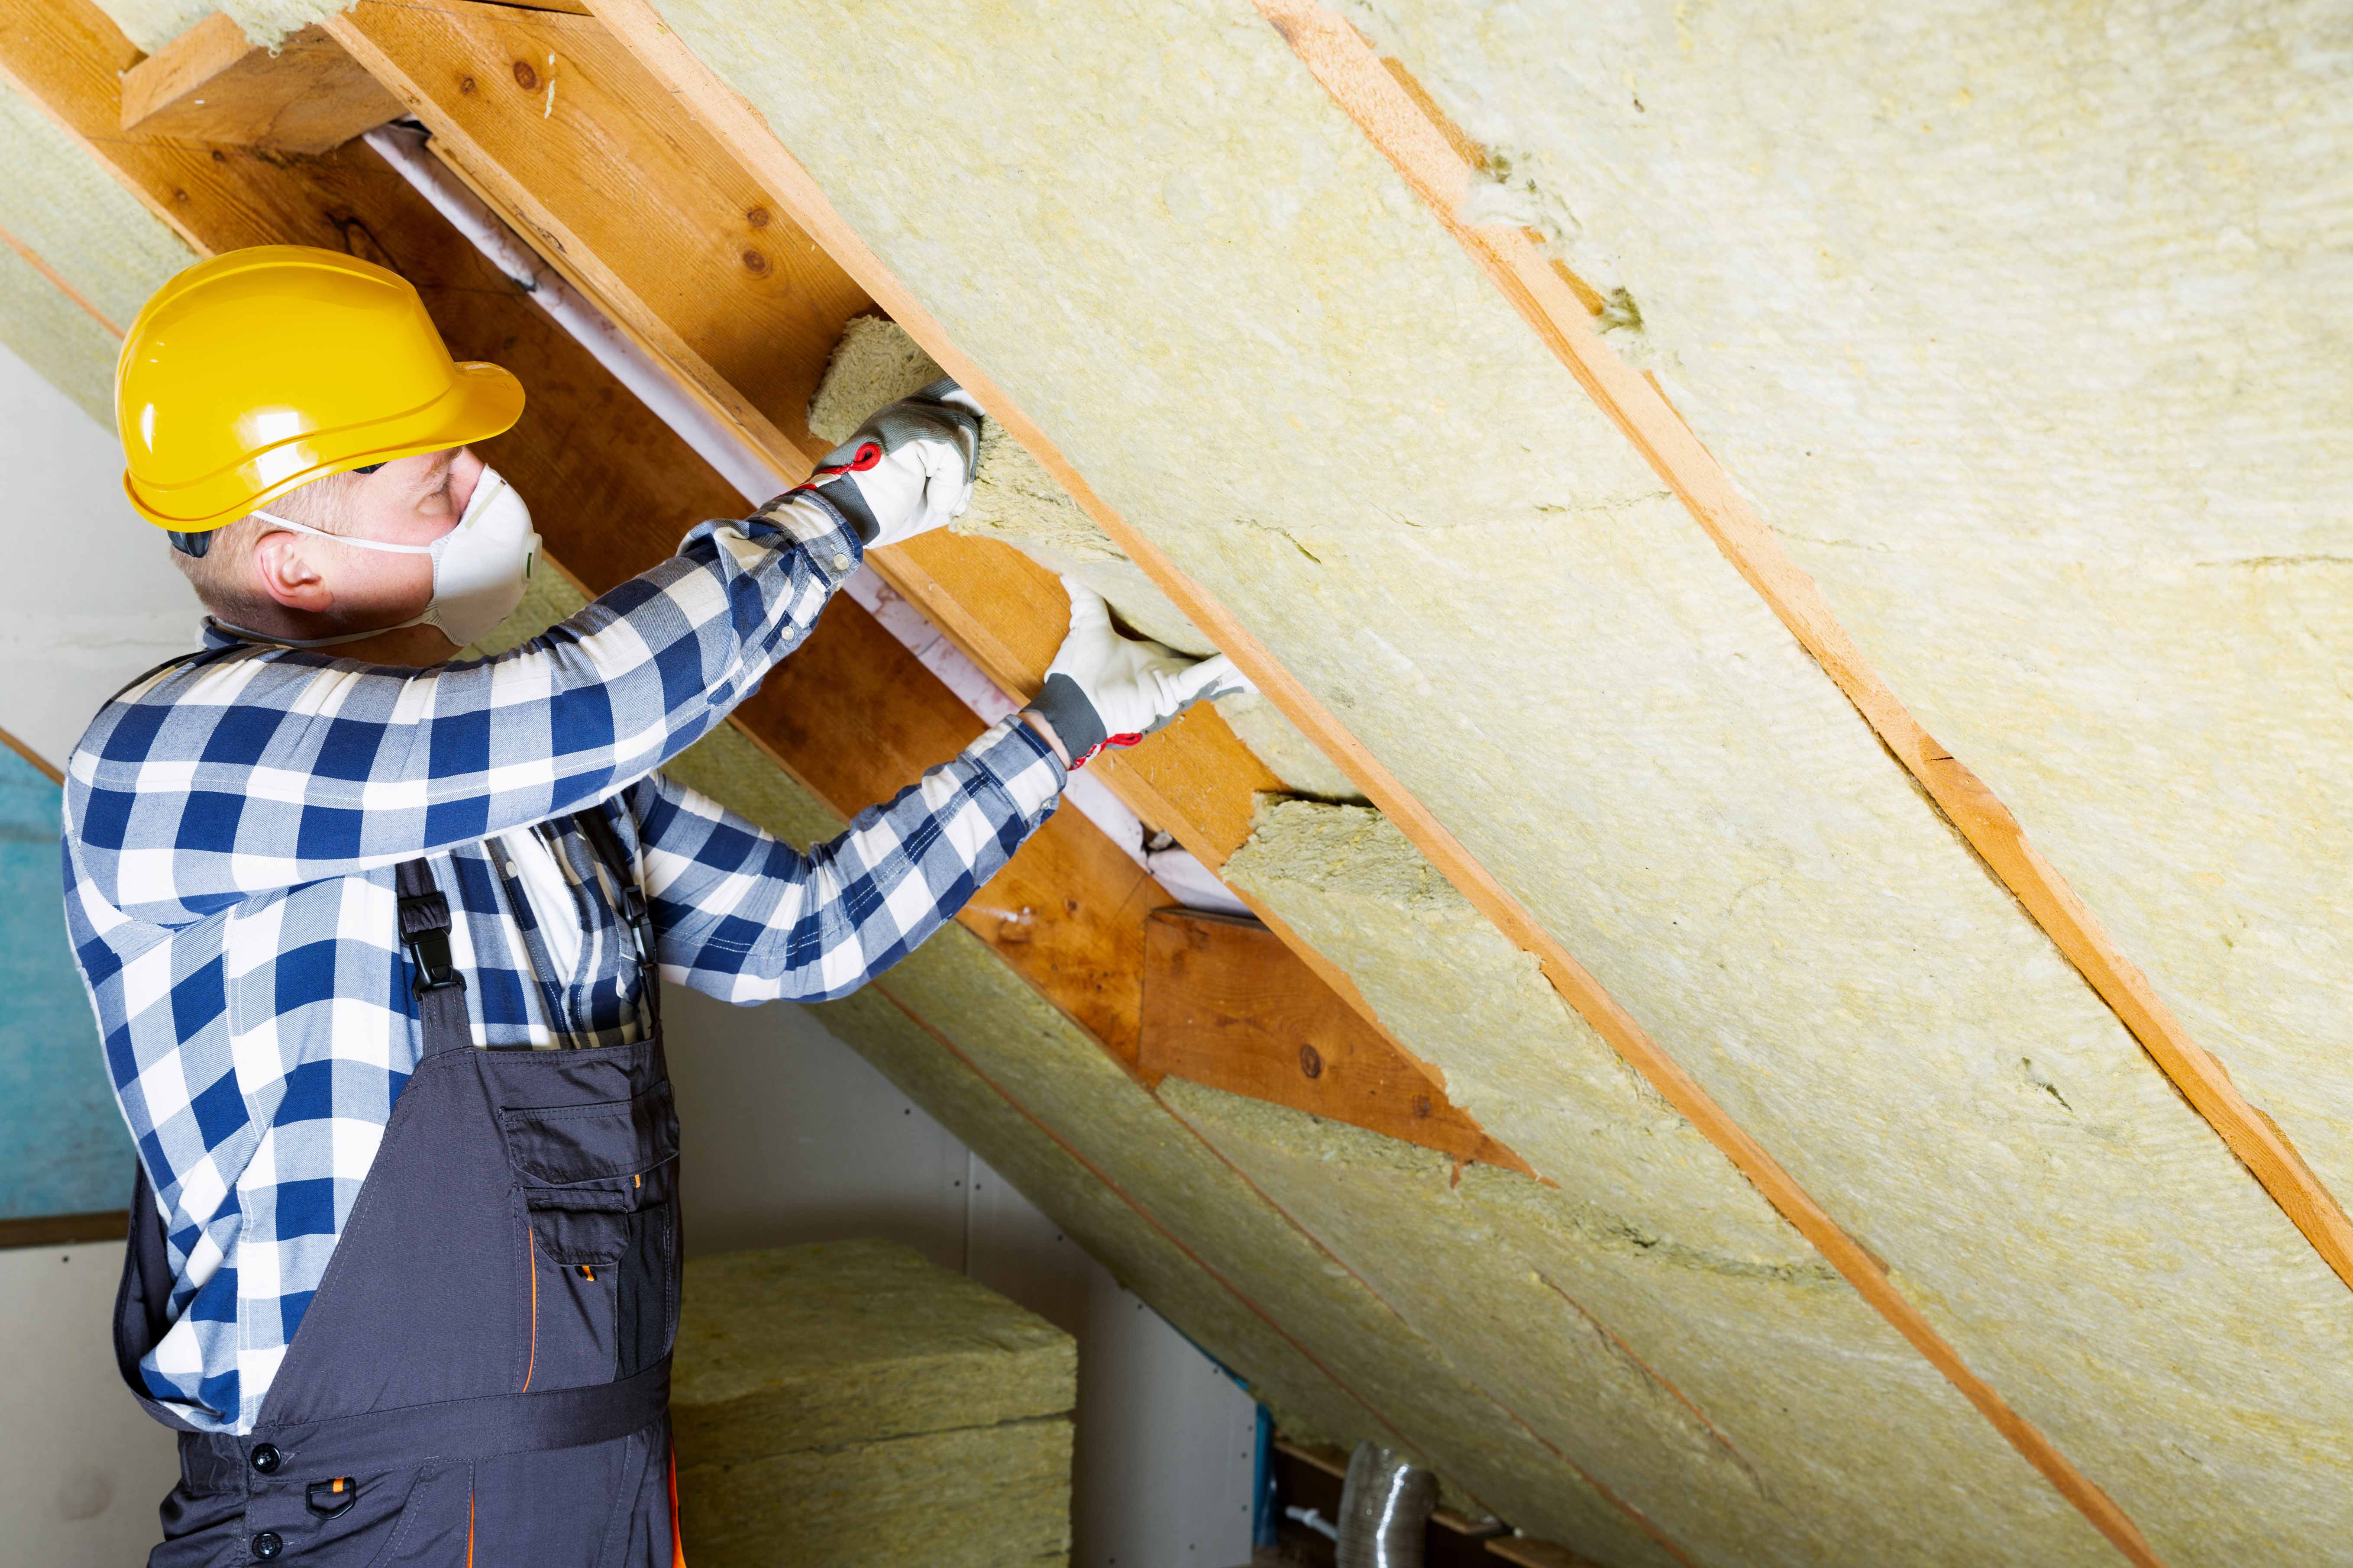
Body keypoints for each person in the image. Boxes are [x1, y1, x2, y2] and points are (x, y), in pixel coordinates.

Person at [68, 245, 1243, 1565]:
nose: (478, 497)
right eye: (434, 480)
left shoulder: (525, 777)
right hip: (363, 1516)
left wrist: (1063, 731)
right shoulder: (172, 756)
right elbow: (594, 705)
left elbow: (802, 934)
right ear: (294, 567)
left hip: (598, 1480)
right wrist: (846, 513)